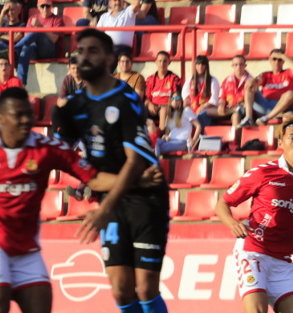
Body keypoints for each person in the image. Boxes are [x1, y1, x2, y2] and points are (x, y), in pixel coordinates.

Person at [0, 87, 163, 313]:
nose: (26, 120)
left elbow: (94, 179)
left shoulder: (47, 149)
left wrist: (136, 181)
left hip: (27, 252)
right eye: (18, 115)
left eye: (28, 113)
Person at [54, 29, 170, 313]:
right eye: (80, 50)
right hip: (114, 195)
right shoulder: (74, 107)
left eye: (92, 51)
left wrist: (103, 204)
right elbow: (59, 154)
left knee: (145, 289)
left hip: (146, 199)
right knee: (120, 291)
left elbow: (136, 162)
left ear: (109, 59)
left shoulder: (125, 99)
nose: (83, 56)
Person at [215, 117, 293, 313]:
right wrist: (232, 224)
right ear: (280, 142)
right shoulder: (263, 173)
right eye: (292, 138)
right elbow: (222, 203)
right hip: (252, 251)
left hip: (282, 260)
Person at [239, 49, 293, 127]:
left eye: (280, 59)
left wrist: (282, 56)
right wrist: (252, 81)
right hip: (264, 104)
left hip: (281, 108)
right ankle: (248, 118)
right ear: (270, 60)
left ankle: (267, 118)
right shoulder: (266, 75)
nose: (277, 62)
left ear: (283, 61)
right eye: (274, 59)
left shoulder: (288, 73)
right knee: (250, 85)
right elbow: (257, 81)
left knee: (290, 93)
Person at [13, 0, 64, 85]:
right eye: (42, 6)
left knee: (37, 31)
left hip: (51, 51)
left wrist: (40, 27)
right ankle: (21, 83)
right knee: (25, 48)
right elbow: (27, 38)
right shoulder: (32, 19)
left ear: (51, 6)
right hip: (35, 50)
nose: (45, 8)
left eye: (47, 6)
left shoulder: (57, 20)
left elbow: (55, 40)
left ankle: (13, 50)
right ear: (38, 7)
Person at [97, 0, 141, 72]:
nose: (117, 2)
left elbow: (137, 2)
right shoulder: (104, 16)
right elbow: (98, 34)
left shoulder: (128, 13)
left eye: (119, 0)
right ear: (110, 3)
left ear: (123, 2)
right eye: (114, 0)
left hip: (123, 48)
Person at [155, 90, 200, 157]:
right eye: (173, 99)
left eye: (177, 98)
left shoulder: (186, 110)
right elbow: (168, 132)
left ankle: (156, 165)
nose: (175, 101)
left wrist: (193, 140)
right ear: (170, 101)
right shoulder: (170, 115)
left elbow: (198, 126)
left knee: (157, 148)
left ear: (181, 100)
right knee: (153, 143)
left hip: (182, 142)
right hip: (170, 140)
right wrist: (165, 136)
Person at [145, 51, 181, 132]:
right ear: (156, 62)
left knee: (163, 111)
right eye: (160, 61)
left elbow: (177, 98)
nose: (162, 64)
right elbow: (146, 99)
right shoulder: (150, 79)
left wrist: (162, 106)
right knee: (140, 109)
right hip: (153, 107)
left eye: (165, 61)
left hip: (169, 107)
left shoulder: (174, 79)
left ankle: (161, 136)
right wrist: (150, 104)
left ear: (169, 62)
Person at [181, 55, 220, 129]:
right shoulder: (190, 80)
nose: (200, 67)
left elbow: (214, 100)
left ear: (206, 66)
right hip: (193, 109)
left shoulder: (213, 80)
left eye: (203, 64)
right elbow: (186, 97)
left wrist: (202, 107)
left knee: (202, 115)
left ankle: (202, 137)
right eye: (198, 64)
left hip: (208, 110)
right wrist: (185, 104)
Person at [218, 55, 252, 127]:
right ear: (232, 66)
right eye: (236, 65)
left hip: (242, 110)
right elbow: (222, 97)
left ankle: (236, 138)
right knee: (206, 113)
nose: (238, 67)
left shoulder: (250, 80)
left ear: (245, 66)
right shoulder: (227, 80)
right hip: (227, 109)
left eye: (241, 64)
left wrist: (237, 105)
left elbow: (252, 101)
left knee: (235, 116)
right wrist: (221, 105)